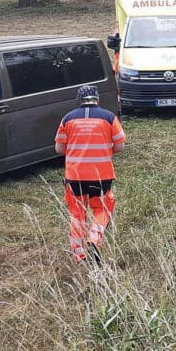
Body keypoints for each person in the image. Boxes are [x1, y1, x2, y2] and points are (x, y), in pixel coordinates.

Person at [54, 85, 125, 263]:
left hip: (75, 176)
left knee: (77, 214)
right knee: (102, 208)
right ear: (97, 99)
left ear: (79, 100)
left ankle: (79, 255)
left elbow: (59, 148)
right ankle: (94, 239)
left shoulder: (68, 118)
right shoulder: (109, 117)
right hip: (101, 175)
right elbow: (120, 146)